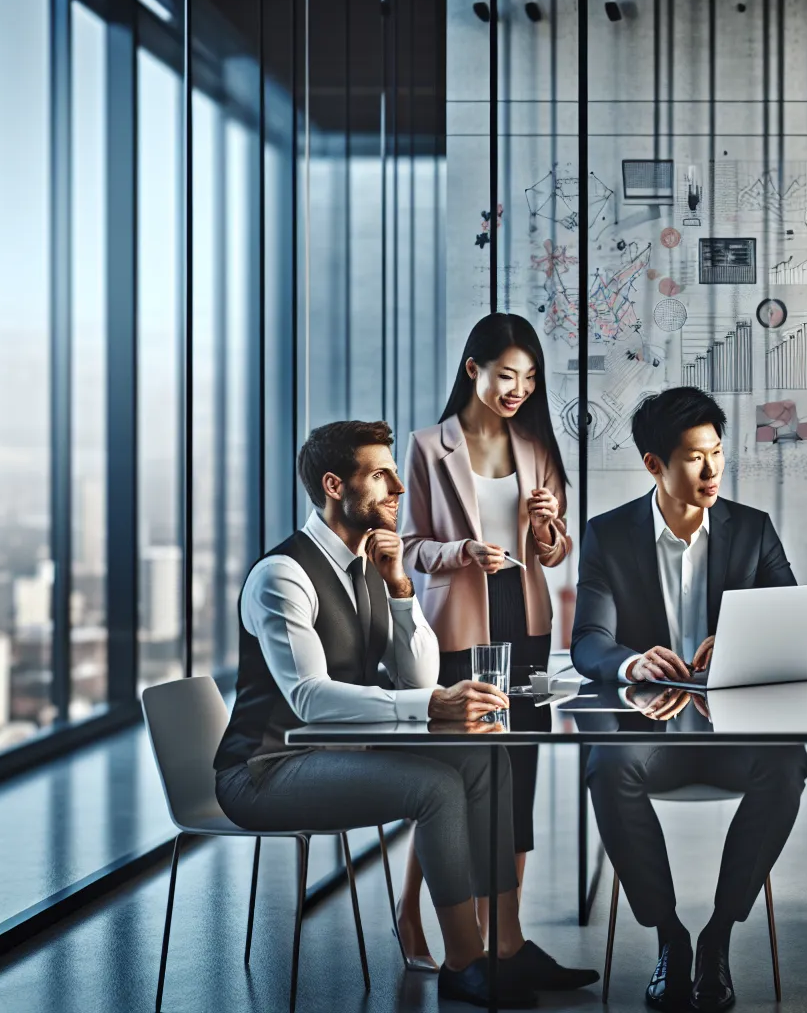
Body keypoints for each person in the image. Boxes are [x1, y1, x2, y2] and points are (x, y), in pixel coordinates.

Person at [213, 421, 596, 1009]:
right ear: (335, 485)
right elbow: (310, 698)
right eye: (379, 475)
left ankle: (505, 949)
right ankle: (465, 961)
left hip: (341, 756)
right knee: (437, 785)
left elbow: (418, 674)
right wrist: (432, 705)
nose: (396, 486)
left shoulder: (368, 564)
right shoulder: (282, 575)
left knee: (484, 758)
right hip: (266, 771)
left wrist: (398, 588)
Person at [571, 387, 807, 1013]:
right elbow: (589, 640)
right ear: (654, 464)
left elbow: (792, 617)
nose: (712, 470)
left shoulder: (751, 529)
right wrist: (631, 661)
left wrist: (738, 638)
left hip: (733, 732)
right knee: (607, 764)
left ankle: (720, 934)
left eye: (718, 453)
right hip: (652, 730)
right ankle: (669, 934)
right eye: (695, 458)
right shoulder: (610, 534)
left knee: (787, 763)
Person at [394, 313, 572, 968]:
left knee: (516, 775)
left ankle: (506, 935)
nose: (518, 389)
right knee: (456, 780)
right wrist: (462, 551)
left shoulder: (536, 446)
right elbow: (410, 547)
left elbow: (555, 556)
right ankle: (412, 910)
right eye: (506, 376)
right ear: (473, 368)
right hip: (458, 629)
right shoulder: (426, 446)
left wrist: (548, 527)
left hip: (526, 626)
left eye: (528, 378)